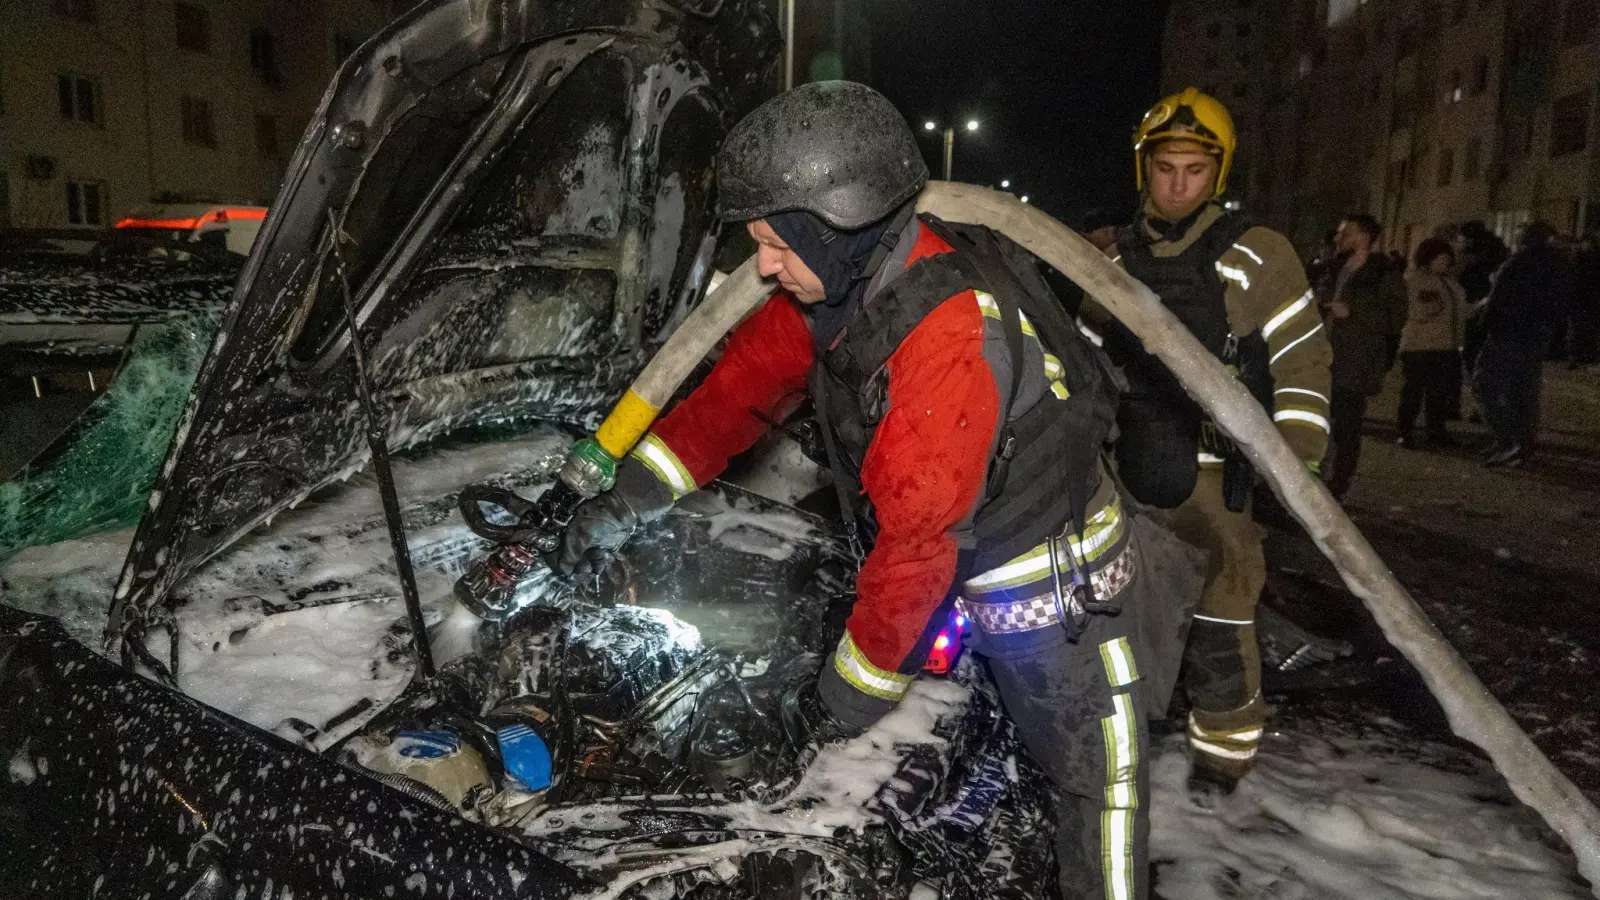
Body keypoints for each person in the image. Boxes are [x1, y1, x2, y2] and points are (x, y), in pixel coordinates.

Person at [556, 81, 1176, 900]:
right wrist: (626, 498)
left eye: (777, 243)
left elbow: (918, 550)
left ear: (836, 227)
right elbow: (734, 395)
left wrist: (837, 703)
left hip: (1058, 598)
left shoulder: (948, 341)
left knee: (1099, 792)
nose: (763, 266)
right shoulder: (837, 289)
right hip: (962, 557)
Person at [1094, 88, 1332, 793]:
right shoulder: (1112, 258)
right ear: (1145, 167)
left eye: (1193, 170)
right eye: (1165, 166)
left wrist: (1297, 455)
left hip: (1213, 479)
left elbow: (1303, 355)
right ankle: (1119, 742)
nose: (1176, 183)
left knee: (1222, 624)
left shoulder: (1258, 255)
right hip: (1130, 470)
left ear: (1217, 173)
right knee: (1119, 615)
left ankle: (1222, 762)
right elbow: (1081, 360)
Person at [1317, 214, 1407, 500]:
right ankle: (1312, 478)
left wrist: (1353, 312)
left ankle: (1338, 485)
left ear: (1365, 236)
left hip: (1355, 362)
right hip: (1324, 357)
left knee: (1346, 427)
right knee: (1317, 422)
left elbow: (1396, 317)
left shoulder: (1383, 272)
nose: (1339, 238)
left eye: (1347, 232)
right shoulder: (1334, 267)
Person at [1475, 221, 1565, 467]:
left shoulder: (1517, 263)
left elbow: (1497, 299)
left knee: (1485, 385)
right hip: (1535, 335)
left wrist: (1486, 323)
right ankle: (1520, 445)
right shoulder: (1556, 265)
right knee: (1524, 391)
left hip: (1508, 333)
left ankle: (1508, 441)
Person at [1396, 238, 1467, 447]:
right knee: (1414, 392)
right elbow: (1418, 311)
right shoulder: (1417, 281)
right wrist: (1434, 309)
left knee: (1438, 393)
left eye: (1447, 260)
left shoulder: (1451, 284)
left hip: (1447, 346)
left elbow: (1459, 311)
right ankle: (1405, 431)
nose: (1445, 264)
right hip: (1420, 346)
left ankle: (1436, 430)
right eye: (1441, 260)